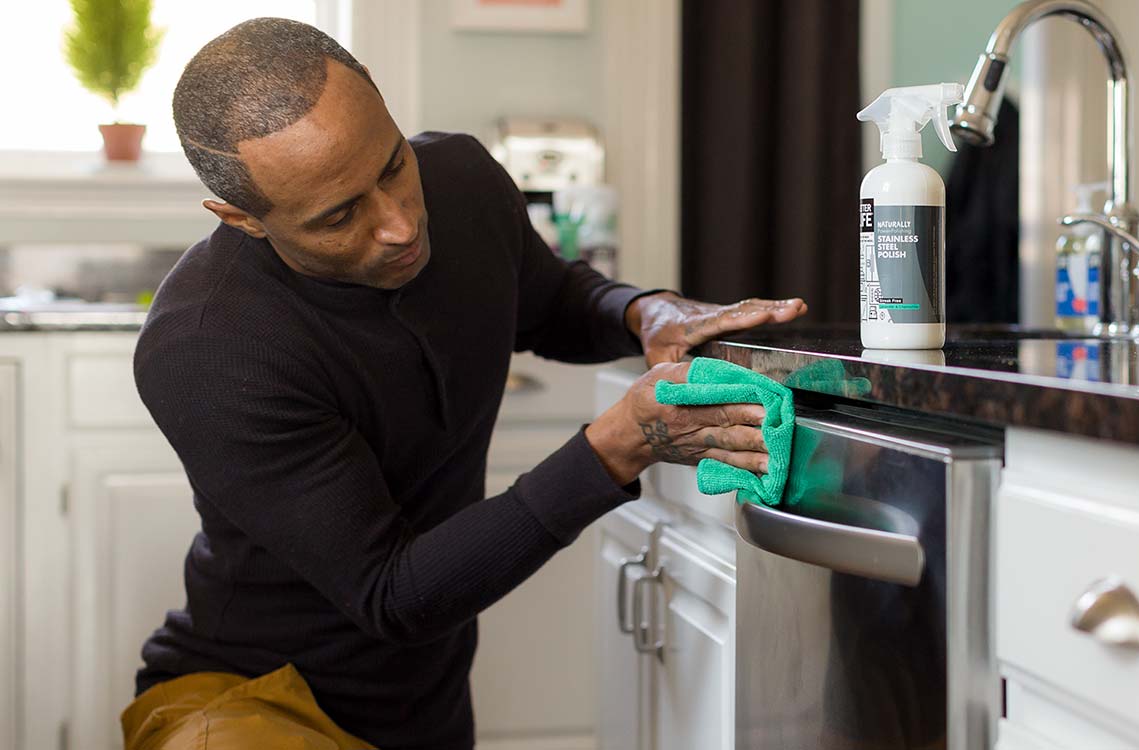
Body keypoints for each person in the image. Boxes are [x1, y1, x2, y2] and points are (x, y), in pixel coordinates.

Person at [122, 17, 806, 750]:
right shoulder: (206, 348)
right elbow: (393, 593)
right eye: (340, 215)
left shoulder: (459, 179)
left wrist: (644, 311)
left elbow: (549, 298)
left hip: (426, 712)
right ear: (243, 219)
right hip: (251, 706)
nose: (397, 226)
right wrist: (616, 445)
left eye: (389, 167)